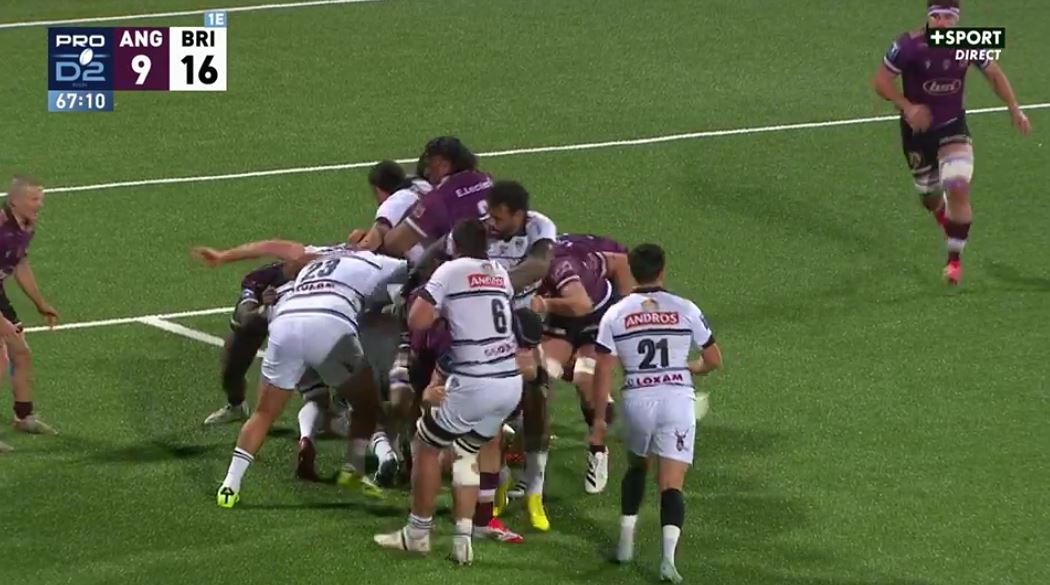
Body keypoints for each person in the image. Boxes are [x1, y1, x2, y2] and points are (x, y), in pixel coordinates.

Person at [373, 219, 523, 565]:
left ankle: (417, 533)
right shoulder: (500, 273)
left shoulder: (450, 270)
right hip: (509, 382)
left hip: (474, 380)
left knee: (426, 447)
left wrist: (440, 307)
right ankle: (462, 540)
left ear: (454, 244)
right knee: (467, 451)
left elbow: (417, 319)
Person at [213, 247, 405, 508]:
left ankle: (230, 485)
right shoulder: (374, 262)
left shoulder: (309, 266)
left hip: (286, 325)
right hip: (332, 326)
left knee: (264, 414)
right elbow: (415, 272)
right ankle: (355, 469)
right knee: (366, 404)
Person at [871, 0, 1031, 285]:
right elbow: (881, 81)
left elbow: (994, 74)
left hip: (953, 127)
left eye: (948, 17)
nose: (942, 23)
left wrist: (1014, 109)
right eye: (937, 17)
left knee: (957, 186)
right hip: (917, 134)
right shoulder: (908, 45)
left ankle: (954, 260)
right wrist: (907, 107)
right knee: (929, 198)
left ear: (956, 20)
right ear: (929, 18)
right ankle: (947, 220)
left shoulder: (968, 42)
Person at [590, 244, 723, 583]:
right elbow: (713, 360)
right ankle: (667, 561)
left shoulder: (615, 314)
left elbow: (603, 369)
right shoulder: (685, 308)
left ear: (632, 272)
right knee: (671, 484)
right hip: (677, 399)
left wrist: (599, 420)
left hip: (637, 398)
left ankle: (624, 545)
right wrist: (687, 367)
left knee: (637, 467)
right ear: (662, 271)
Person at [1, 176, 59, 442]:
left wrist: (40, 303)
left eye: (41, 198)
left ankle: (23, 417)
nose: (40, 204)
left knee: (21, 353)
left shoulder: (26, 225)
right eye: (34, 199)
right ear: (15, 201)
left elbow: (20, 263)